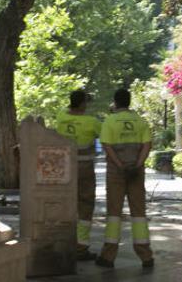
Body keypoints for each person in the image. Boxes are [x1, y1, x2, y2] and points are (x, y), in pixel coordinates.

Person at [96, 88, 154, 269]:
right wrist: (138, 164)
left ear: (116, 102)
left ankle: (108, 256)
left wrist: (120, 166)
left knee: (114, 213)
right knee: (139, 213)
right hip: (137, 172)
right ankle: (146, 256)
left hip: (116, 172)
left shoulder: (110, 121)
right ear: (129, 101)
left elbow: (107, 145)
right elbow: (147, 144)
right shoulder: (140, 121)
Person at [53, 89, 101, 261]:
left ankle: (62, 243)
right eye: (86, 102)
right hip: (85, 169)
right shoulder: (91, 122)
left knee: (65, 204)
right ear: (82, 104)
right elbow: (103, 136)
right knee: (85, 206)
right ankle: (81, 247)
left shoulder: (61, 117)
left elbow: (65, 111)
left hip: (63, 168)